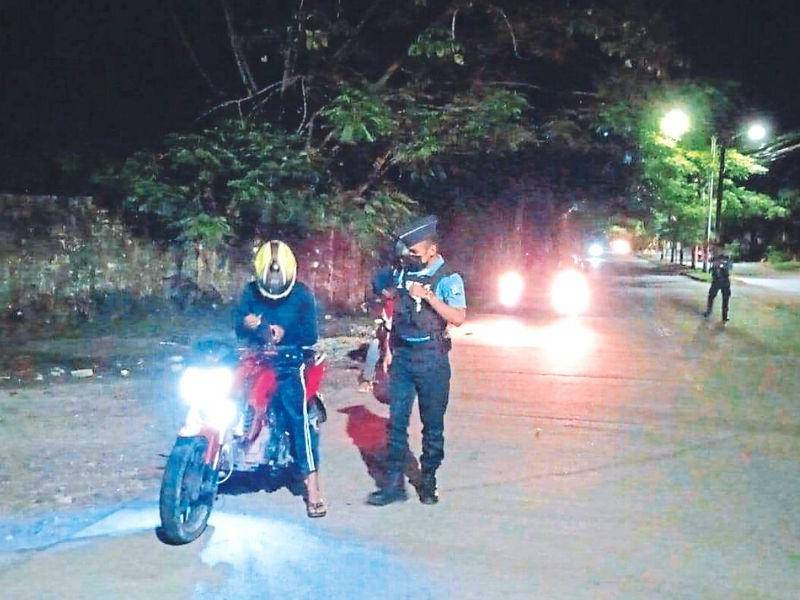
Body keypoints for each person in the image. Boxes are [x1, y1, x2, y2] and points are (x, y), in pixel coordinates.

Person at [367, 215, 467, 506]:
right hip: (403, 358)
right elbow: (383, 292)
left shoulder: (448, 278)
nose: (410, 257)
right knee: (396, 423)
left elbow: (459, 318)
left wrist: (430, 298)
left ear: (432, 250)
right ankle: (393, 484)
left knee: (432, 425)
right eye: (407, 252)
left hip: (432, 359)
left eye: (416, 253)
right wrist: (386, 351)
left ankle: (429, 481)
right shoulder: (401, 272)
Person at [234, 240, 327, 517]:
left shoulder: (301, 295)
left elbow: (310, 336)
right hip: (254, 357)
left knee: (298, 418)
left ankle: (313, 488)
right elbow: (237, 321)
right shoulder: (250, 291)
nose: (274, 286)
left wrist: (284, 333)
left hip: (290, 362)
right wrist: (246, 324)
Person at [358, 265, 396, 394]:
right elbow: (384, 322)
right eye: (383, 292)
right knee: (374, 345)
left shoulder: (401, 300)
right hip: (387, 329)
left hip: (402, 331)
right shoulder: (382, 302)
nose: (385, 294)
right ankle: (367, 379)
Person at [704, 251, 732, 322]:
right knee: (711, 296)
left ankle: (724, 316)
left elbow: (729, 268)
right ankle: (709, 311)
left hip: (724, 281)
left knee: (725, 298)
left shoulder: (726, 260)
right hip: (717, 281)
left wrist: (721, 266)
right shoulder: (715, 259)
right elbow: (711, 264)